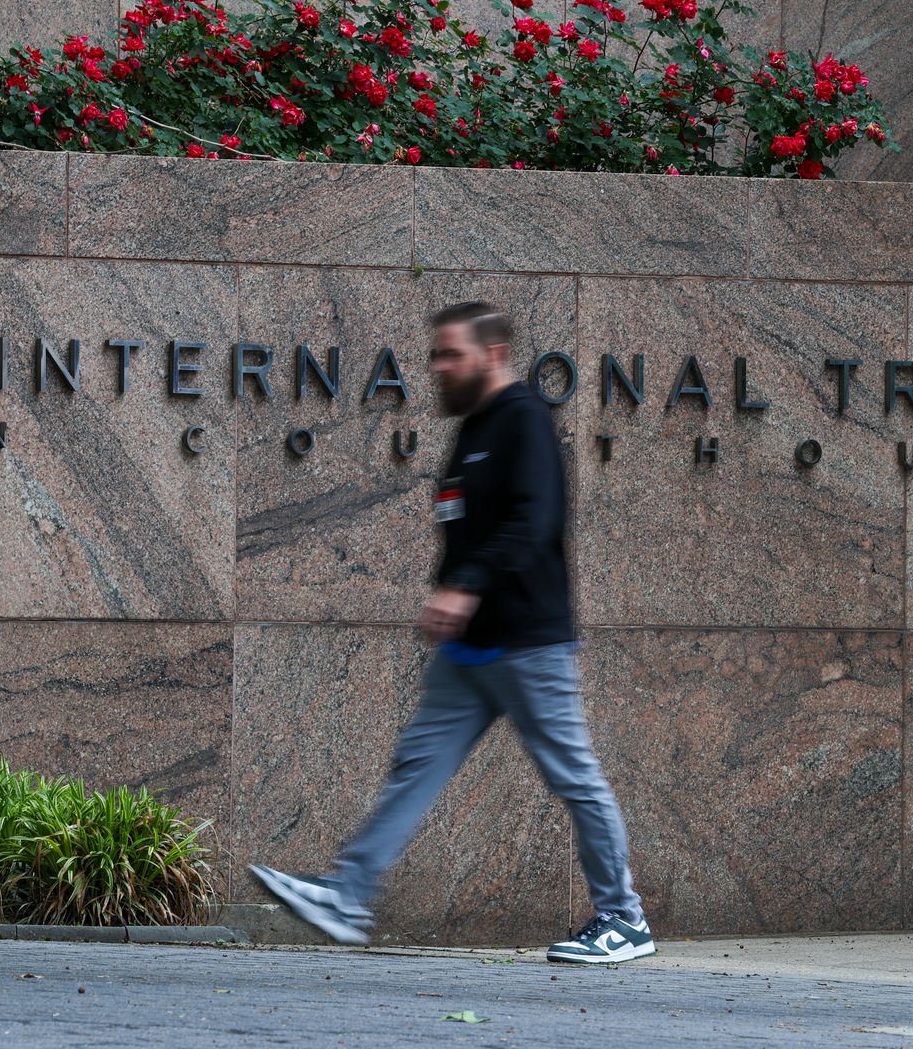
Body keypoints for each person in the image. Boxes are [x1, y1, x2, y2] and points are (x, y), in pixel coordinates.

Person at [249, 301, 653, 965]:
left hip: (528, 641)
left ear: (492, 355)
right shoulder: (473, 429)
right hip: (470, 652)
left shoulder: (525, 421)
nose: (438, 367)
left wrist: (463, 588)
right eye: (435, 354)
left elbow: (534, 520)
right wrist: (451, 593)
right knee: (416, 769)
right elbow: (465, 523)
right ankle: (348, 895)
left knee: (573, 776)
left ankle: (624, 919)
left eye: (450, 354)